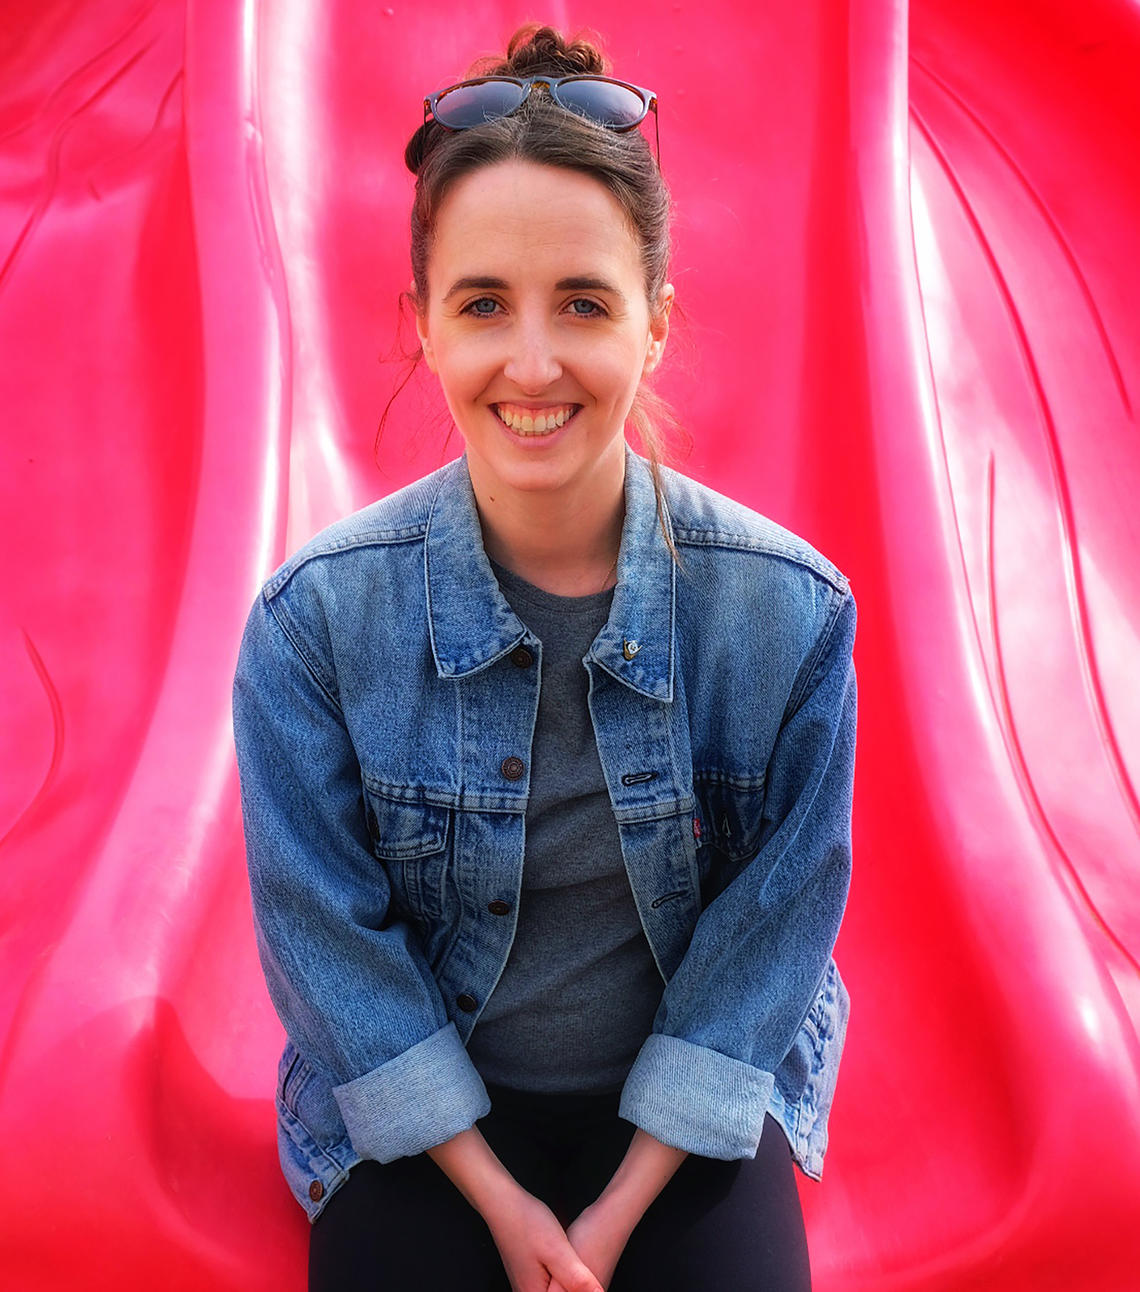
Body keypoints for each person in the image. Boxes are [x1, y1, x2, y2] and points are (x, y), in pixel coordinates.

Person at [232, 22, 857, 1292]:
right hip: (426, 1111)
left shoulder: (787, 613)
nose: (532, 362)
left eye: (583, 302)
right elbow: (330, 949)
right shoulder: (313, 623)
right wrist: (500, 1200)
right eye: (481, 306)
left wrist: (613, 1219)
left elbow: (767, 950)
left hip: (676, 1120)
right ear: (421, 324)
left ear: (657, 321)